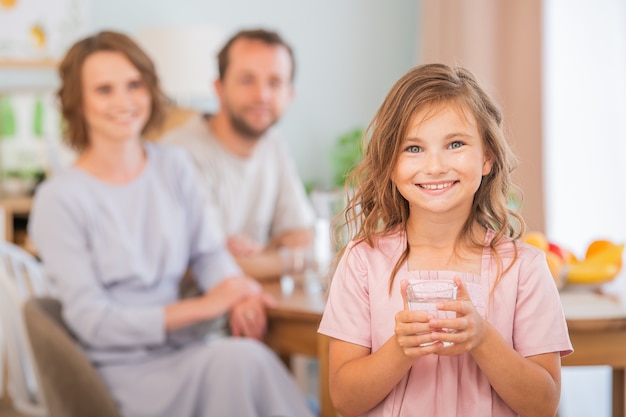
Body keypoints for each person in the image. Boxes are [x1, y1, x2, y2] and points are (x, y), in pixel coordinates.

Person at [28, 30, 315, 417]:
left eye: (134, 85)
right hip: (122, 372)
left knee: (244, 361)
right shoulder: (59, 198)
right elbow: (93, 321)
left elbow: (209, 253)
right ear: (78, 102)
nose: (124, 101)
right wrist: (207, 306)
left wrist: (239, 291)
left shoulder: (172, 166)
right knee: (241, 363)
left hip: (186, 350)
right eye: (104, 90)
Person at [317, 63, 573, 417]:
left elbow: (544, 403)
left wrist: (483, 339)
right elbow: (344, 398)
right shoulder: (363, 262)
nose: (435, 166)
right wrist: (400, 350)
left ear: (487, 157)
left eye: (455, 144)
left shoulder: (524, 269)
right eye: (413, 148)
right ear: (391, 164)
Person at [161, 28, 315, 281]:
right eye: (247, 80)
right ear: (219, 88)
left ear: (289, 95)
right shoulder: (179, 154)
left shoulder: (273, 145)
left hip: (254, 304)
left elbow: (302, 236)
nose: (262, 95)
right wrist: (289, 259)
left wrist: (260, 254)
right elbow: (207, 265)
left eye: (275, 83)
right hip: (193, 313)